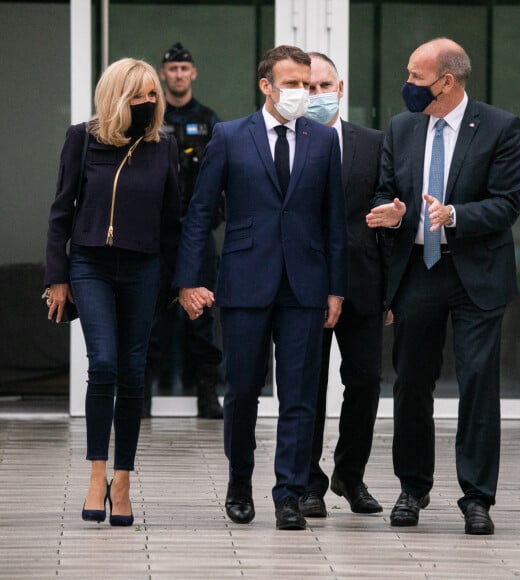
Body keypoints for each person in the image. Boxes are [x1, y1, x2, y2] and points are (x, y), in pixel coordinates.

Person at [174, 45, 347, 530]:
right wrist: (190, 279)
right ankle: (239, 484)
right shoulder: (229, 136)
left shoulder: (322, 140)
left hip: (305, 285)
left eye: (308, 83)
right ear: (266, 86)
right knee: (243, 390)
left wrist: (336, 288)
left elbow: (333, 220)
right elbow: (201, 214)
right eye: (291, 83)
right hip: (246, 280)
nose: (302, 93)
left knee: (299, 394)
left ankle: (289, 495)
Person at [366, 37, 520, 535]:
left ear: (447, 82)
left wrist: (454, 214)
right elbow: (387, 191)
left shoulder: (499, 127)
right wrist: (393, 212)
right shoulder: (402, 126)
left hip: (476, 271)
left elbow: (507, 203)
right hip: (419, 270)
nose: (408, 85)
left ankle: (477, 497)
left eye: (416, 77)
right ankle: (412, 488)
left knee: (478, 383)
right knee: (412, 382)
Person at [44, 58, 180, 526]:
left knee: (132, 372)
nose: (149, 102)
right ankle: (95, 474)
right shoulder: (82, 138)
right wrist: (56, 276)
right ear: (117, 96)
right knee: (102, 364)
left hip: (144, 268)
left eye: (153, 95)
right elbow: (61, 210)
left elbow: (171, 222)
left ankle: (122, 480)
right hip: (90, 264)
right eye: (139, 94)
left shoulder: (164, 146)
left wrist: (176, 282)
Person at [298, 52, 385, 519]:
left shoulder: (373, 143)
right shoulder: (291, 141)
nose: (315, 95)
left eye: (323, 86)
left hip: (364, 283)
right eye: (307, 87)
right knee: (308, 385)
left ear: (341, 88)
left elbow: (387, 210)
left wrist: (391, 291)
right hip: (307, 286)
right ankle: (309, 481)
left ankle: (350, 476)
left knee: (366, 381)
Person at [144, 42, 223, 419]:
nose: (177, 74)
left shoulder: (209, 119)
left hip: (196, 233)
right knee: (149, 315)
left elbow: (224, 176)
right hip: (155, 235)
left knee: (202, 315)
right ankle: (141, 397)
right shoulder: (151, 119)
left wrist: (212, 217)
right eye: (172, 68)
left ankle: (207, 397)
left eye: (183, 68)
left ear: (193, 73)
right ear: (163, 73)